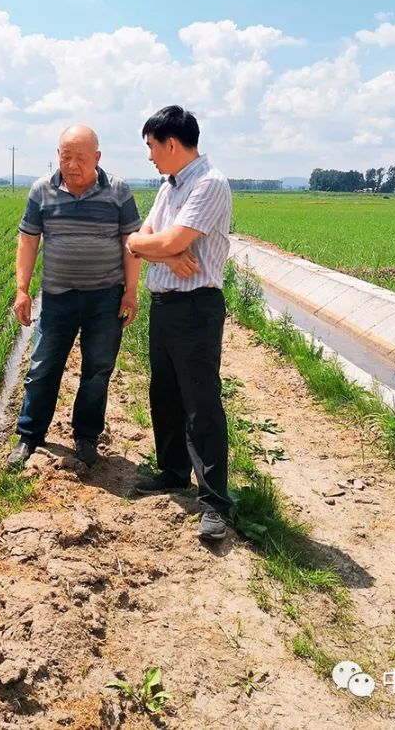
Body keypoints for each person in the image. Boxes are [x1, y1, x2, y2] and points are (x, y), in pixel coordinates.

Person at [125, 106, 233, 541]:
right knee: (165, 393)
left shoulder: (209, 184)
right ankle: (172, 471)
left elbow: (161, 238)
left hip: (196, 308)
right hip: (166, 304)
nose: (149, 156)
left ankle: (214, 504)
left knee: (200, 404)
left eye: (151, 147)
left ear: (171, 143)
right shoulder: (168, 187)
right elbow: (138, 239)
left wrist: (158, 246)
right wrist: (164, 252)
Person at [9, 125, 143, 467]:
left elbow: (131, 245)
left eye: (80, 158)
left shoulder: (118, 192)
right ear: (58, 155)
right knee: (42, 367)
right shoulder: (42, 191)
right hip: (58, 298)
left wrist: (131, 292)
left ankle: (86, 437)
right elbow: (28, 241)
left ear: (97, 158)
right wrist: (22, 291)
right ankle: (29, 436)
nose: (72, 165)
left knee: (97, 370)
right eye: (66, 156)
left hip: (105, 299)